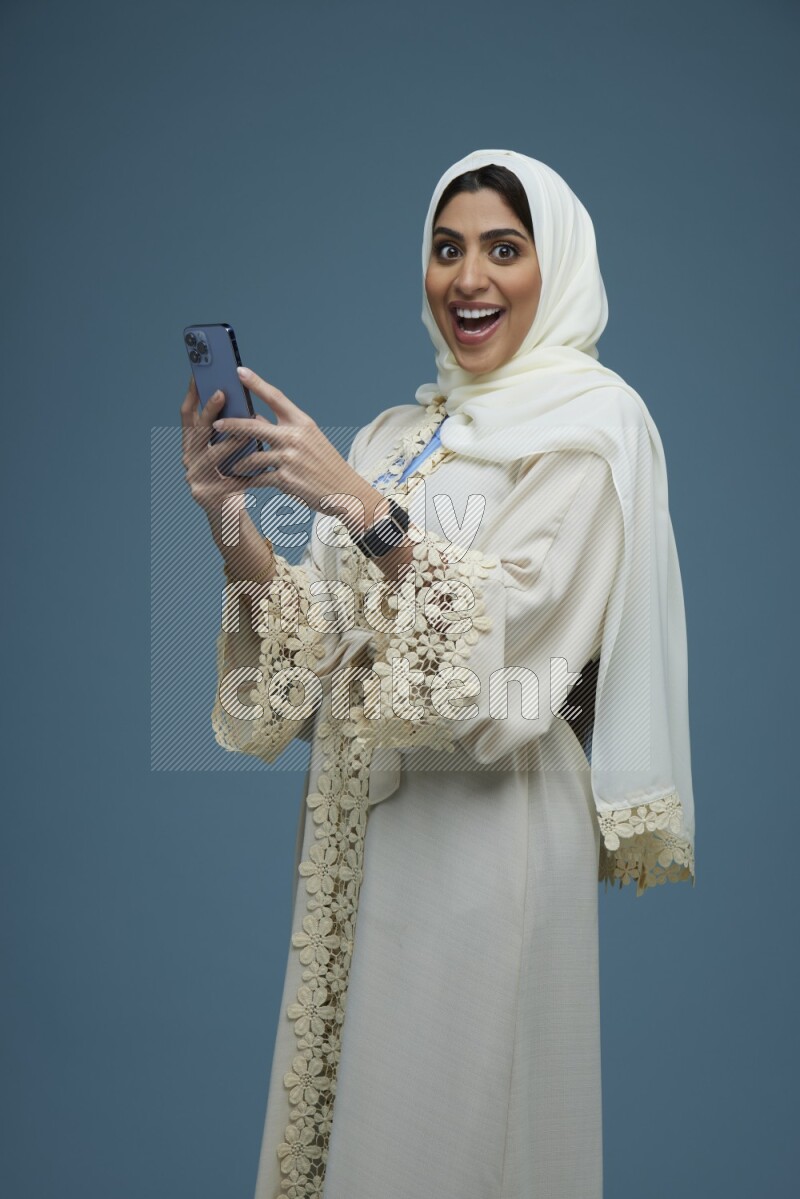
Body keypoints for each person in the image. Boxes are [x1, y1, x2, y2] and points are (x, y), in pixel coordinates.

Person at [180, 149, 695, 1199]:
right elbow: (310, 654)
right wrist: (227, 515)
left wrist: (362, 510)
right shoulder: (396, 434)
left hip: (486, 834)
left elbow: (516, 639)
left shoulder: (594, 429)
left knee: (452, 1136)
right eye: (446, 247)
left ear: (555, 269)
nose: (468, 277)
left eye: (503, 249)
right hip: (363, 830)